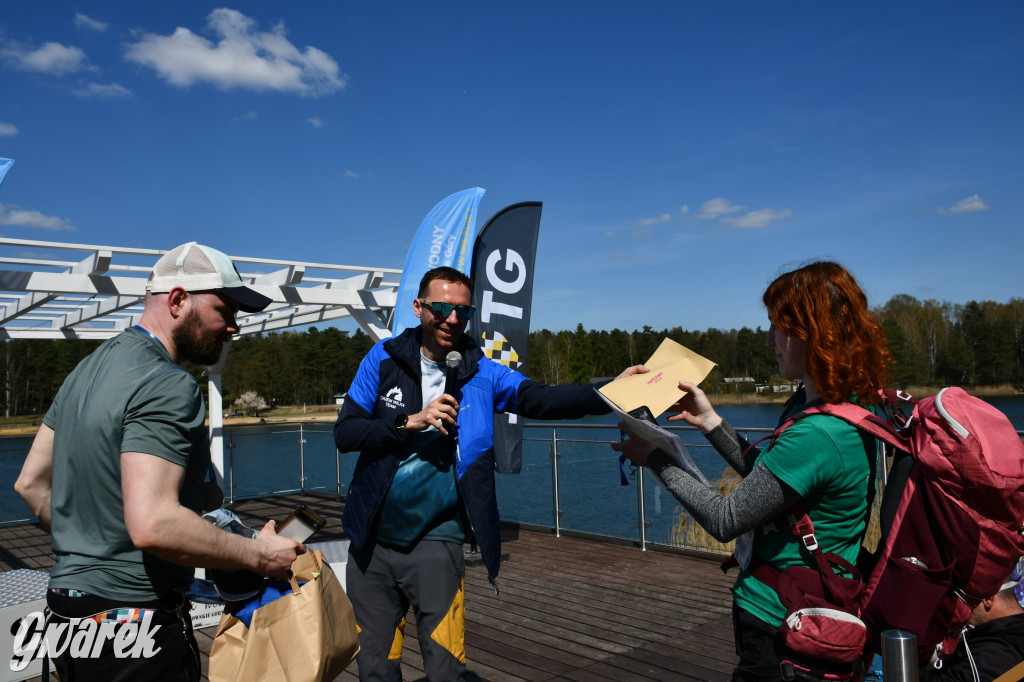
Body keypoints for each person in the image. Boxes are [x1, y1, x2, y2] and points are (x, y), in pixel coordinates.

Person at [334, 266, 644, 681]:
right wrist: (408, 421)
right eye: (441, 308)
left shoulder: (483, 372)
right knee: (375, 670)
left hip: (437, 540)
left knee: (445, 671)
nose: (452, 319)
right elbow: (346, 433)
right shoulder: (383, 358)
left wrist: (610, 391)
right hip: (370, 541)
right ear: (418, 307)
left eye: (463, 311)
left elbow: (543, 399)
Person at [14, 242, 304, 681]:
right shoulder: (167, 383)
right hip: (132, 625)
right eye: (225, 311)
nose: (234, 327)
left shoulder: (86, 371)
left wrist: (96, 548)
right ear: (178, 300)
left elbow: (31, 484)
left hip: (68, 612)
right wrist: (260, 555)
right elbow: (154, 523)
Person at [613, 260, 891, 682]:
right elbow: (774, 480)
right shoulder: (842, 407)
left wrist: (653, 457)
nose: (768, 339)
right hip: (798, 607)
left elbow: (725, 519)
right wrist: (711, 423)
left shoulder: (819, 433)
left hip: (786, 622)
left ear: (811, 333)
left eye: (778, 327)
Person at [921, 563, 1024, 682]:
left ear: (988, 597)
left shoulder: (995, 656)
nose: (954, 607)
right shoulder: (1008, 638)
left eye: (961, 596)